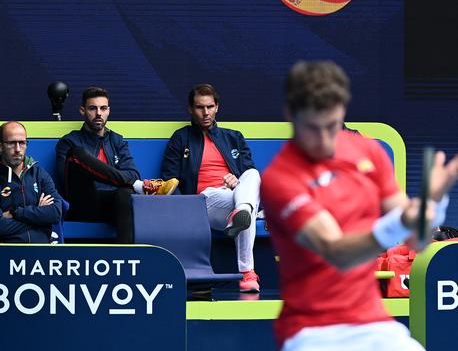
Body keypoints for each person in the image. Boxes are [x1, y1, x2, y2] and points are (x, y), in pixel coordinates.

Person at [260, 61, 458, 350]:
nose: (324, 140)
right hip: (312, 331)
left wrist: (434, 203)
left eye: (331, 126)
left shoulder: (367, 151)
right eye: (313, 129)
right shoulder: (280, 179)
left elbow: (417, 240)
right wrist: (401, 222)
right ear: (290, 114)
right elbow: (337, 252)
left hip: (372, 321)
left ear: (342, 110)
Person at [161, 84, 261, 292]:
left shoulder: (234, 137)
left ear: (217, 107)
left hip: (233, 199)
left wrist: (236, 181)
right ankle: (247, 273)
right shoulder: (181, 138)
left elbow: (249, 177)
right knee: (244, 209)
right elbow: (169, 179)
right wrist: (184, 210)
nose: (205, 113)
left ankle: (242, 213)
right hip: (202, 204)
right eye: (200, 107)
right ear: (190, 109)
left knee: (252, 175)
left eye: (210, 107)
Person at [55, 87, 178, 243]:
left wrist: (129, 182)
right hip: (83, 203)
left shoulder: (117, 140)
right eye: (92, 108)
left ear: (109, 111)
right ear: (82, 110)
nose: (98, 113)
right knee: (76, 154)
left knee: (125, 193)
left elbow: (133, 173)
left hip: (113, 206)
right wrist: (133, 183)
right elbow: (64, 181)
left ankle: (126, 257)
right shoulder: (69, 141)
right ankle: (141, 187)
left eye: (103, 108)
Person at [0, 121, 62, 243]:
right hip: (8, 254)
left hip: (42, 252)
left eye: (22, 143)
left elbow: (56, 212)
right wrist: (40, 219)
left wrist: (16, 212)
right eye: (11, 143)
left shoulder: (39, 174)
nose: (17, 149)